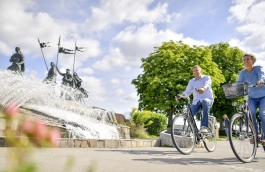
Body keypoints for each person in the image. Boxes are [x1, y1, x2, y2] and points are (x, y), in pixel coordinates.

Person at [176, 65, 214, 133]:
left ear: (200, 70)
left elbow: (207, 84)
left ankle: (204, 127)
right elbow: (187, 91)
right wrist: (181, 96)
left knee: (205, 101)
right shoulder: (192, 81)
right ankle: (194, 133)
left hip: (208, 99)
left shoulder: (206, 77)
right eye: (194, 71)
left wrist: (203, 88)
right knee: (189, 115)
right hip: (197, 102)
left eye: (197, 70)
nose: (195, 72)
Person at [237, 53, 265, 143]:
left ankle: (264, 136)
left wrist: (261, 80)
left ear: (253, 61)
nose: (246, 61)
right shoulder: (242, 72)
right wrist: (234, 86)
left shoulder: (258, 68)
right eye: (244, 60)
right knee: (251, 114)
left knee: (262, 114)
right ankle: (255, 135)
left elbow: (262, 76)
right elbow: (239, 83)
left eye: (248, 59)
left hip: (263, 96)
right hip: (252, 97)